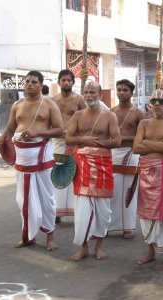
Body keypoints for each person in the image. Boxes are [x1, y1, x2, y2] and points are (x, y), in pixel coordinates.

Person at [0, 70, 63, 250]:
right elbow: (10, 129)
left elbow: (60, 131)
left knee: (46, 198)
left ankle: (50, 237)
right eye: (27, 81)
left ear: (41, 85)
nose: (29, 84)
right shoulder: (17, 105)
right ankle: (28, 235)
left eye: (34, 82)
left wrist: (37, 132)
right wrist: (2, 138)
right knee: (23, 199)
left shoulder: (49, 105)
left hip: (42, 157)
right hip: (22, 159)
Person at [65, 81, 121, 261]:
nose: (89, 95)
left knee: (102, 210)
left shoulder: (109, 116)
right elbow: (68, 138)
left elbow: (117, 141)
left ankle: (99, 247)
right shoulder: (78, 116)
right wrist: (83, 138)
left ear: (100, 94)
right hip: (82, 166)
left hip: (103, 165)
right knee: (82, 210)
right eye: (86, 92)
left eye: (92, 92)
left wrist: (94, 142)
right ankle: (83, 247)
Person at [133, 89, 163, 267]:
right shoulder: (144, 123)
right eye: (154, 100)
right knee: (146, 214)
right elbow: (136, 148)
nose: (157, 104)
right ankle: (150, 251)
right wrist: (156, 146)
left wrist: (145, 142)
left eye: (162, 101)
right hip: (147, 172)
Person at [109, 79, 145, 239]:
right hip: (113, 154)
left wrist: (123, 138)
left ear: (131, 93)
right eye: (119, 89)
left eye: (125, 90)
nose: (121, 92)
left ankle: (128, 227)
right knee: (114, 190)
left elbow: (143, 135)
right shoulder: (111, 112)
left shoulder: (138, 113)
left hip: (131, 153)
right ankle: (111, 225)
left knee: (130, 189)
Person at [52, 69, 86, 223]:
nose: (66, 82)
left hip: (74, 142)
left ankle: (76, 211)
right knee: (57, 173)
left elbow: (87, 119)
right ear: (59, 82)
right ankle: (56, 211)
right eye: (63, 80)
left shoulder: (79, 99)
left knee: (75, 174)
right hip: (57, 142)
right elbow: (47, 121)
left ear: (73, 82)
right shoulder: (52, 101)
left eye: (69, 80)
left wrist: (75, 135)